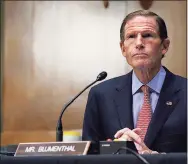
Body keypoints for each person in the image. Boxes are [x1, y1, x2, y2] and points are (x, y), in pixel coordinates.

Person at [82, 10, 187, 154]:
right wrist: (115, 150)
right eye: (131, 36)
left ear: (165, 46)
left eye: (147, 35)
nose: (139, 43)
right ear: (123, 48)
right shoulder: (101, 95)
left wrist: (158, 159)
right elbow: (89, 155)